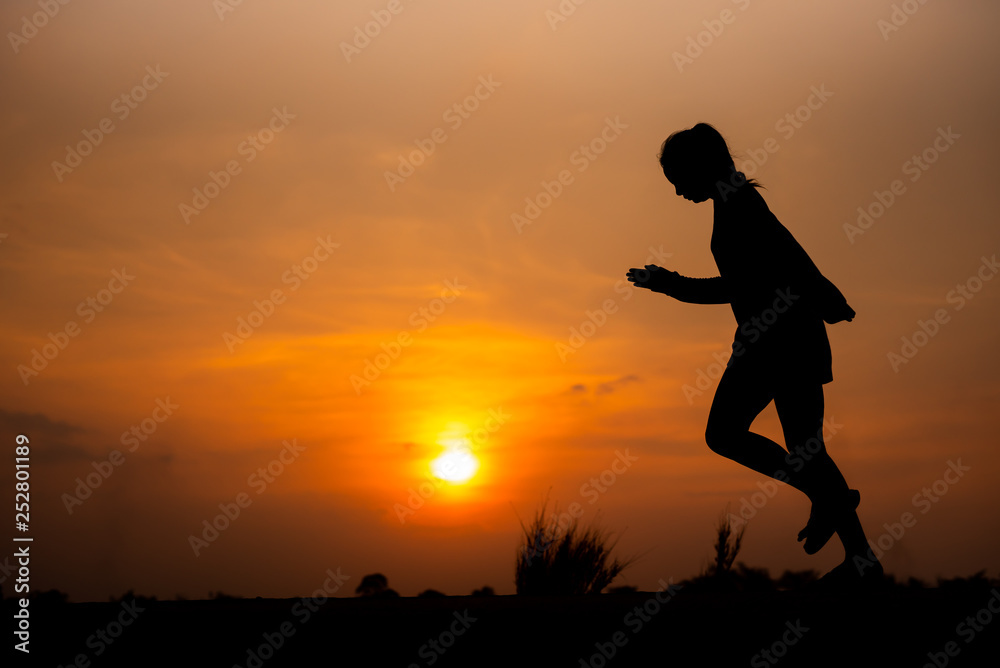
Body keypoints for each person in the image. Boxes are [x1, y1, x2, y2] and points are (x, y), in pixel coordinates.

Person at [627, 122, 882, 584]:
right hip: (788, 336)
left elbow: (738, 284)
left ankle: (830, 502)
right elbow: (791, 254)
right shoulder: (736, 201)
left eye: (679, 180)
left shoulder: (740, 205)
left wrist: (670, 284)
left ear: (699, 168)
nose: (678, 192)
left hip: (774, 341)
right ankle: (861, 557)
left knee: (724, 434)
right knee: (807, 450)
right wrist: (824, 294)